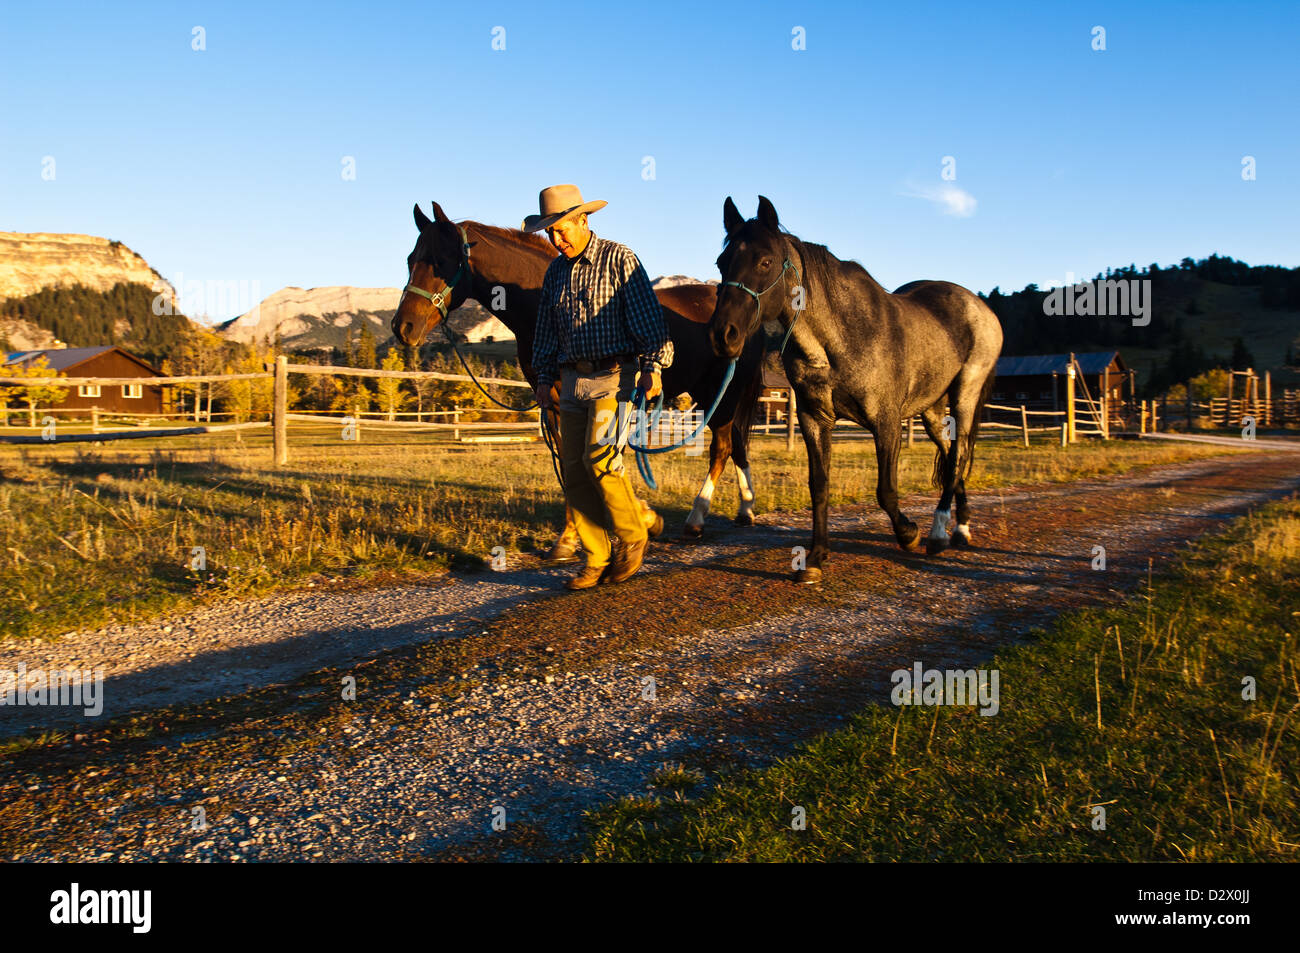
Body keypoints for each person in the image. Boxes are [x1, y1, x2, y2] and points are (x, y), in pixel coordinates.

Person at [525, 184, 672, 590]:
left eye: (562, 230)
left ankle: (632, 534)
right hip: (571, 381)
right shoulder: (555, 272)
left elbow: (647, 319)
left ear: (583, 220)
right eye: (550, 233)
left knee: (601, 458)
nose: (557, 240)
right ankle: (596, 556)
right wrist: (542, 377)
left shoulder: (619, 260)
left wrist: (653, 365)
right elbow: (546, 332)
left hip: (615, 378)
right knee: (572, 472)